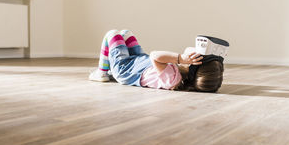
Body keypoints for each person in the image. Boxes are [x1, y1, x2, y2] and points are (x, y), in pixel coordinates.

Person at [89, 29, 224, 92]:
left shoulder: (172, 79)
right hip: (139, 61)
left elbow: (154, 55)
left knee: (112, 34)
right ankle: (109, 69)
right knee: (126, 33)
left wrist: (181, 58)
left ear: (192, 66)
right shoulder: (179, 74)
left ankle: (102, 73)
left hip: (126, 70)